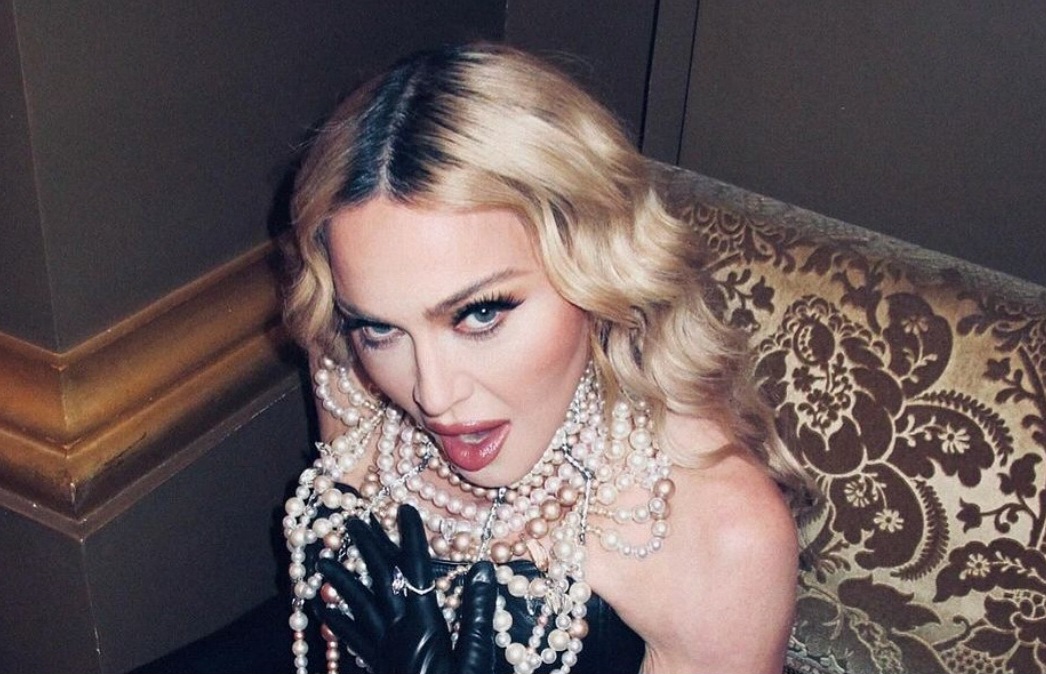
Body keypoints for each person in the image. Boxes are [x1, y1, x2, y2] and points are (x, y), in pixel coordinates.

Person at [280, 42, 815, 674]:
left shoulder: (722, 541)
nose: (432, 395)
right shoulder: (348, 363)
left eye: (480, 313)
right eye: (380, 328)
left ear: (596, 265)